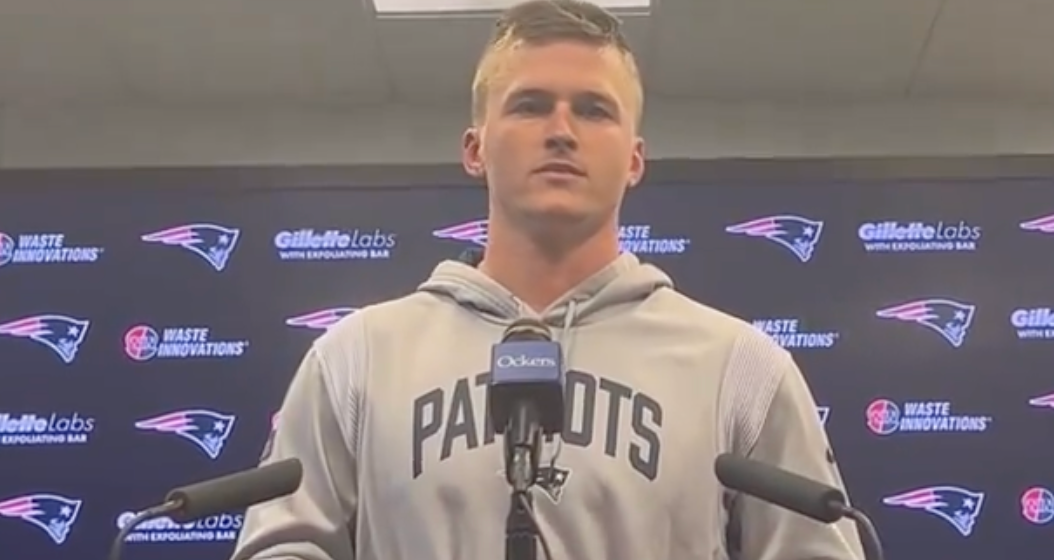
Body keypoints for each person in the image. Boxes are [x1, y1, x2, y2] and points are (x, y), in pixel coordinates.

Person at [231, 1, 865, 558]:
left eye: (594, 111)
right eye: (531, 106)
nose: (561, 131)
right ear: (476, 148)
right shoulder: (356, 362)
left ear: (635, 159)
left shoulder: (741, 368)